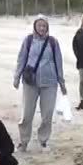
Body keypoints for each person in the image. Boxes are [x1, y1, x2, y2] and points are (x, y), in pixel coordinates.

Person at [13, 15, 66, 152]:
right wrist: (16, 77)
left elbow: (59, 62)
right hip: (30, 82)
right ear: (35, 26)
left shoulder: (53, 42)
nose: (42, 28)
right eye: (39, 25)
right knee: (27, 114)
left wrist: (61, 82)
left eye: (44, 26)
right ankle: (24, 141)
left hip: (50, 82)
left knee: (47, 114)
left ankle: (43, 140)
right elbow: (21, 59)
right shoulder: (28, 40)